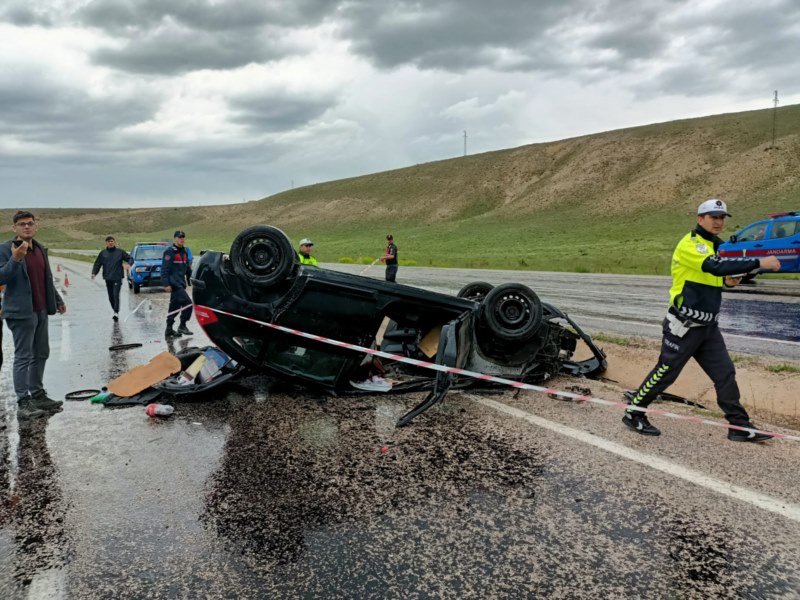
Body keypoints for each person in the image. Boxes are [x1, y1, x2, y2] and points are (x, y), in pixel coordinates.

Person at [623, 199, 781, 442]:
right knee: (666, 371)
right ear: (700, 219)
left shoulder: (712, 246)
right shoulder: (691, 244)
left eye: (722, 217)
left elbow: (709, 278)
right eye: (712, 217)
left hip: (708, 328)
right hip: (684, 326)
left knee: (725, 373)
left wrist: (727, 282)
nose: (718, 222)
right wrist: (760, 263)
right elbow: (713, 267)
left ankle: (739, 425)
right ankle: (634, 413)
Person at [0, 211, 67, 419]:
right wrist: (15, 259)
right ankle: (23, 401)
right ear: (14, 228)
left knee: (41, 352)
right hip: (20, 313)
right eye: (21, 224)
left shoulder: (39, 249)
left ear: (35, 226)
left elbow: (46, 278)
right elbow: (2, 276)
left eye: (30, 223)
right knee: (23, 356)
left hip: (40, 309)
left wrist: (57, 299)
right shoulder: (4, 249)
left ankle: (37, 394)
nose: (26, 227)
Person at [91, 235, 132, 321]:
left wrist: (128, 264)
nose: (110, 243)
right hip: (108, 278)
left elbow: (130, 258)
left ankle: (116, 313)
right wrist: (94, 273)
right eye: (109, 241)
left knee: (116, 295)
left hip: (117, 277)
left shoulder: (120, 252)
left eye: (112, 241)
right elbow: (97, 264)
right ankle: (115, 310)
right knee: (111, 297)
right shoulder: (103, 253)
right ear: (106, 243)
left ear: (114, 242)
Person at [161, 230, 193, 339]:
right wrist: (166, 284)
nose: (182, 239)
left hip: (181, 283)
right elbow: (164, 269)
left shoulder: (184, 251)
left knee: (174, 307)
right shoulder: (170, 251)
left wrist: (192, 277)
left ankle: (168, 329)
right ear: (175, 239)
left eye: (183, 237)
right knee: (188, 304)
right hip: (174, 284)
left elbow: (186, 268)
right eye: (179, 237)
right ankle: (182, 326)